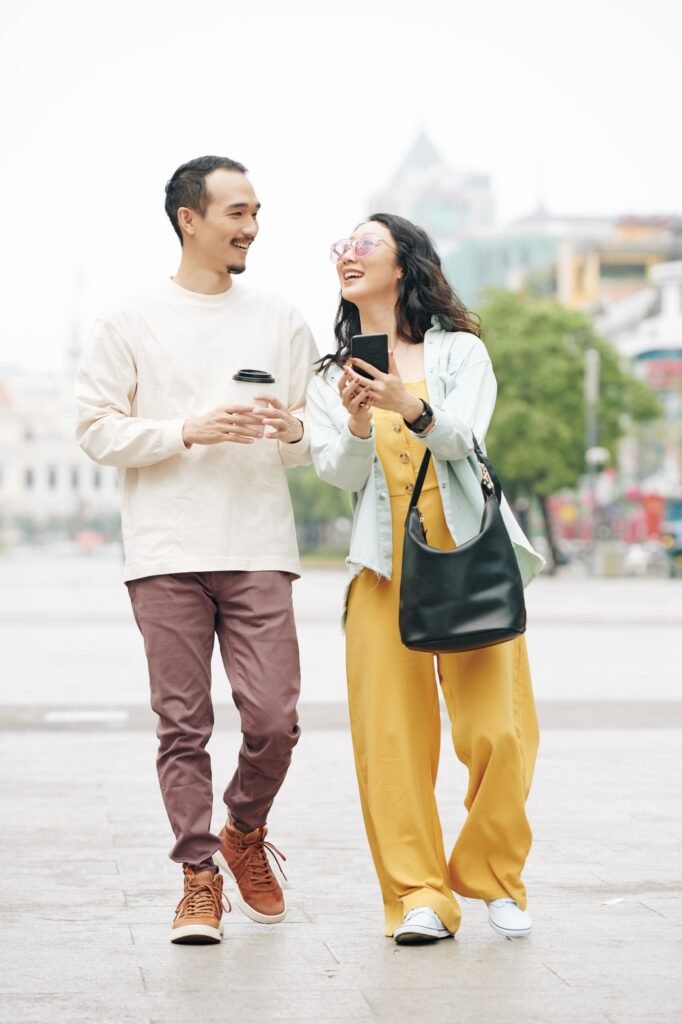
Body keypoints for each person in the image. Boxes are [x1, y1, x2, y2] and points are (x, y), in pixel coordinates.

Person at [75, 155, 318, 945]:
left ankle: (243, 829)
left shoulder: (280, 317)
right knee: (181, 724)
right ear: (190, 218)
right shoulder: (129, 320)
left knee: (275, 718)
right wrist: (187, 428)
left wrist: (292, 431)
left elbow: (312, 440)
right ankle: (198, 878)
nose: (251, 229)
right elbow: (95, 429)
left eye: (255, 213)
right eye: (236, 214)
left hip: (256, 542)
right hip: (166, 548)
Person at [306, 214, 544, 945]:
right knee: (391, 741)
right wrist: (352, 422)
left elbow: (467, 440)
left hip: (467, 550)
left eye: (364, 242)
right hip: (382, 566)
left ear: (403, 264)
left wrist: (411, 407)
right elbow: (334, 473)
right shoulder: (331, 373)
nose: (347, 253)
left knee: (497, 730)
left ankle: (495, 876)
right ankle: (419, 896)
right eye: (340, 244)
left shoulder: (460, 353)